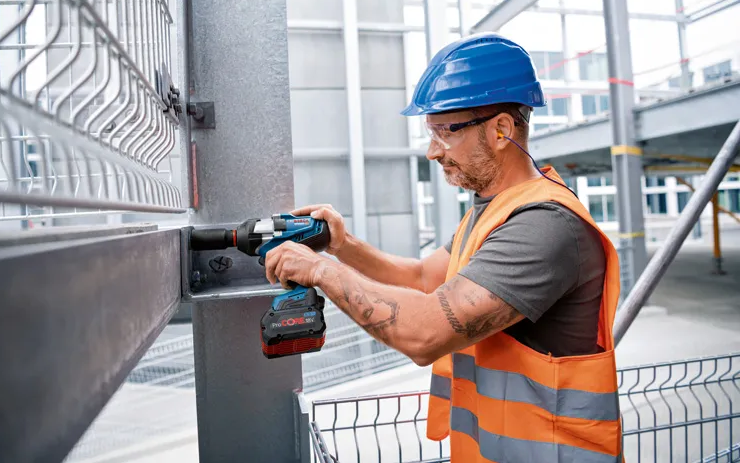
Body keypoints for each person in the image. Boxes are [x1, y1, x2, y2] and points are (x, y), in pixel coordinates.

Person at [264, 33, 623, 462]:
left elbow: (425, 332)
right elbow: (420, 277)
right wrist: (343, 245)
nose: (432, 151)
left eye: (443, 132)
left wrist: (321, 271)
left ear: (501, 130)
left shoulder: (543, 226)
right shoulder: (494, 211)